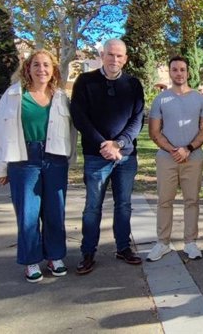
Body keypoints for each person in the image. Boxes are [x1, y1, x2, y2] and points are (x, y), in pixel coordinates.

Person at [0, 49, 76, 283]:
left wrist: (70, 159)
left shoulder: (60, 97)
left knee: (55, 211)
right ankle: (30, 261)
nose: (42, 70)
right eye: (36, 65)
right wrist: (1, 167)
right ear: (27, 69)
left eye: (46, 65)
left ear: (53, 70)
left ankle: (55, 257)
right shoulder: (14, 95)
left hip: (55, 159)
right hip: (24, 159)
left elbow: (71, 132)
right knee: (28, 213)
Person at [70, 39, 145, 275]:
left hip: (125, 157)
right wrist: (104, 144)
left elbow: (137, 119)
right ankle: (88, 252)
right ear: (102, 55)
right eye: (110, 55)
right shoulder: (85, 81)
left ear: (126, 59)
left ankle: (123, 247)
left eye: (120, 56)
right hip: (96, 155)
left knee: (124, 205)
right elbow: (79, 117)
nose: (115, 60)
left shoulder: (133, 84)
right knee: (93, 207)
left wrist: (120, 144)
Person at [147, 55, 203, 261]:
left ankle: (190, 242)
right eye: (174, 69)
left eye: (182, 69)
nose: (179, 73)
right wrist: (174, 150)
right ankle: (162, 243)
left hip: (193, 157)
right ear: (170, 72)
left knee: (192, 200)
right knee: (164, 200)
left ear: (188, 72)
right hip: (167, 158)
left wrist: (188, 149)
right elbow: (154, 132)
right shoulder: (161, 99)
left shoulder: (200, 99)